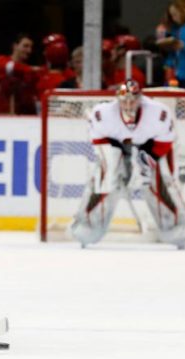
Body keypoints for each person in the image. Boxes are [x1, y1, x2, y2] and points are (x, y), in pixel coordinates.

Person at [70, 80, 185, 250]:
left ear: (141, 98)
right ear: (117, 98)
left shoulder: (158, 113)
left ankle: (177, 228)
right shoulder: (103, 114)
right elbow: (99, 141)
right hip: (115, 144)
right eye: (125, 99)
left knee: (159, 182)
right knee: (106, 177)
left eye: (133, 99)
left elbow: (164, 143)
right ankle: (88, 227)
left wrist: (144, 163)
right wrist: (114, 163)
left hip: (151, 144)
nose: (129, 104)